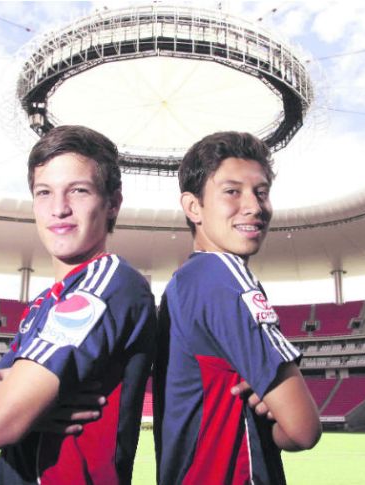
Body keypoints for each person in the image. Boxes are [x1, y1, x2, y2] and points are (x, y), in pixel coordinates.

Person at [0, 125, 157, 485]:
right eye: (44, 193)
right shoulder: (44, 302)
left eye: (79, 191)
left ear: (113, 203)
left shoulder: (109, 283)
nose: (59, 209)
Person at [153, 131, 322, 484]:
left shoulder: (183, 283)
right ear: (193, 207)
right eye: (232, 191)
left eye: (261, 192)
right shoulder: (223, 274)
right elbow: (303, 430)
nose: (254, 206)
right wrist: (276, 423)